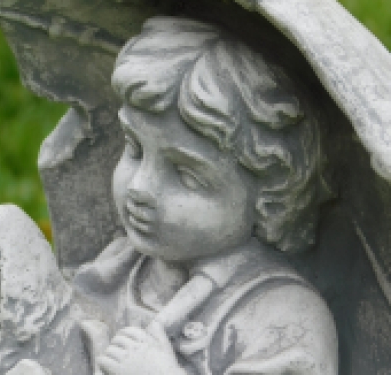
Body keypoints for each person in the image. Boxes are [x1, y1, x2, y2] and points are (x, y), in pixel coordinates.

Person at [71, 16, 338, 375]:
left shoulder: (284, 316)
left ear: (269, 196)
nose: (139, 187)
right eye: (134, 148)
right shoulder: (122, 265)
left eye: (186, 175)